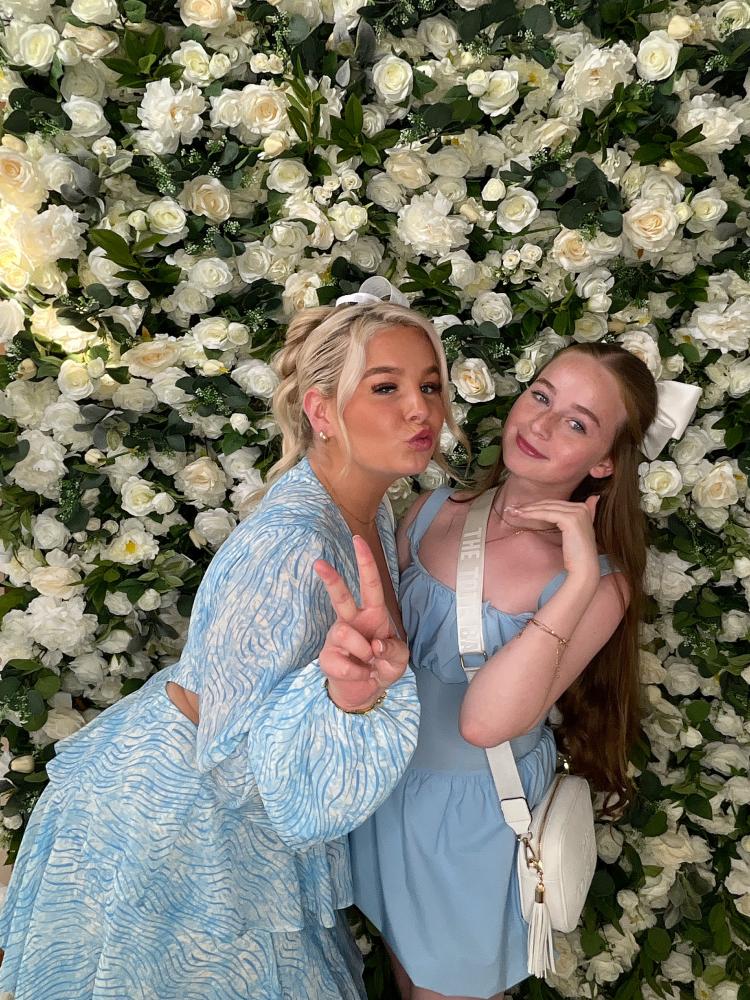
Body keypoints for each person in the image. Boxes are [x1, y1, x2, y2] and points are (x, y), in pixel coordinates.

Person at [0, 293, 459, 1000]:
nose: (419, 409)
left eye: (429, 386)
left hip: (225, 813)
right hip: (181, 823)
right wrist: (344, 700)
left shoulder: (368, 508)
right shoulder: (291, 547)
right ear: (321, 411)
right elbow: (234, 752)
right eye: (385, 388)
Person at [350, 342, 672, 1000]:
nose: (542, 424)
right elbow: (381, 654)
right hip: (388, 789)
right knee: (406, 974)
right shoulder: (434, 510)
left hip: (473, 821)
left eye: (577, 423)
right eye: (541, 396)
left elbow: (483, 722)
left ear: (604, 463)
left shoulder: (598, 586)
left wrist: (577, 582)